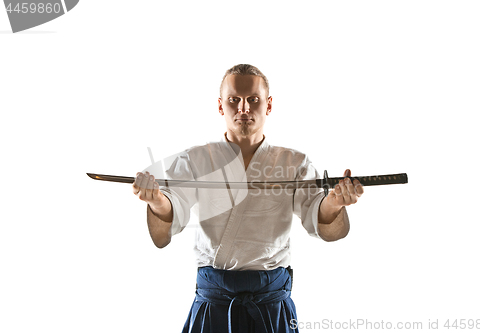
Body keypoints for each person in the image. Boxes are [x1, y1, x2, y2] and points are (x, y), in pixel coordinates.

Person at [132, 64, 364, 332]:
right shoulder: (195, 160)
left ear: (268, 105)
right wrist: (155, 199)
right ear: (221, 106)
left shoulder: (294, 162)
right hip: (215, 304)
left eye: (253, 100)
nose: (243, 108)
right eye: (234, 100)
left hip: (270, 306)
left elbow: (317, 214)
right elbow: (174, 208)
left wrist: (335, 201)